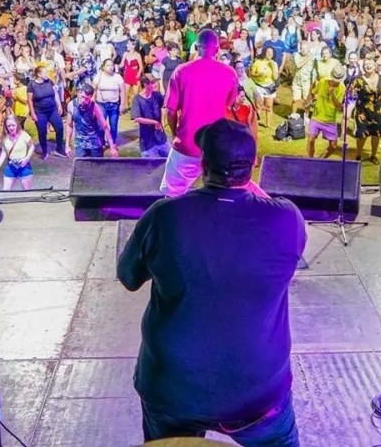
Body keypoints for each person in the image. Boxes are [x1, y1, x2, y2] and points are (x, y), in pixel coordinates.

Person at [117, 119, 305, 446]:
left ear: (203, 165)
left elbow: (128, 276)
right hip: (258, 393)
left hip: (173, 388)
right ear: (254, 163)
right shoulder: (286, 218)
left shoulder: (164, 216)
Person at [160, 29, 239, 197]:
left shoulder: (181, 71)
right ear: (217, 49)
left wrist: (176, 134)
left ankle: (173, 222)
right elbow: (230, 105)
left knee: (172, 194)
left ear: (196, 47)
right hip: (215, 147)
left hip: (186, 144)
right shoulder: (230, 73)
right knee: (218, 196)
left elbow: (171, 111)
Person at [65, 84, 118, 159]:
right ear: (79, 93)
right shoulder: (71, 105)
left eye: (87, 99)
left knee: (97, 167)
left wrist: (112, 147)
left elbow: (105, 127)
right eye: (82, 97)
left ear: (90, 97)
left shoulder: (94, 107)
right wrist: (67, 145)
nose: (83, 101)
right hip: (80, 143)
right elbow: (69, 125)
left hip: (94, 142)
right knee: (81, 167)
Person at [306, 64, 346, 159]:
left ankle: (321, 160)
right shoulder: (323, 82)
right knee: (311, 139)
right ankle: (310, 160)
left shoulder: (342, 88)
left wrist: (332, 95)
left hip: (330, 120)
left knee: (333, 146)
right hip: (316, 117)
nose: (335, 82)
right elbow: (312, 93)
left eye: (338, 80)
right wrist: (307, 103)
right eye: (334, 79)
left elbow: (339, 107)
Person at [0, 117, 35, 190]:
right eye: (9, 126)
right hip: (10, 167)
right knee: (5, 192)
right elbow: (4, 152)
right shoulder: (5, 137)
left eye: (13, 125)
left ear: (17, 124)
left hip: (23, 167)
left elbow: (32, 146)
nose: (11, 128)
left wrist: (27, 158)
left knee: (27, 192)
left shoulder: (23, 135)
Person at [131, 76, 170, 158]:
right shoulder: (137, 99)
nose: (155, 85)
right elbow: (137, 118)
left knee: (169, 160)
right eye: (152, 83)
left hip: (161, 138)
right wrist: (154, 122)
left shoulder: (157, 95)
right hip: (147, 141)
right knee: (150, 166)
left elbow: (167, 105)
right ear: (145, 85)